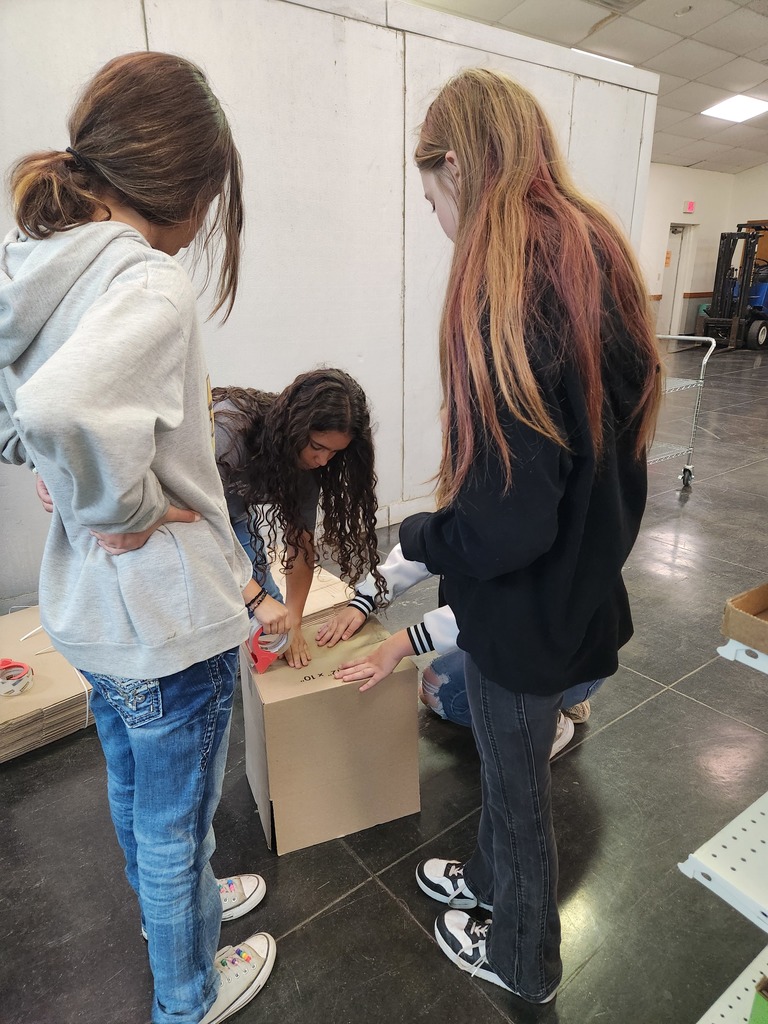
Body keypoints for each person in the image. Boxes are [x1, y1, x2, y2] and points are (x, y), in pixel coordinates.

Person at [340, 68, 661, 1004]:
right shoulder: (591, 246)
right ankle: (482, 887)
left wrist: (426, 534)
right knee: (504, 765)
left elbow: (508, 519)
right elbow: (596, 463)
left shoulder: (504, 279)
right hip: (578, 587)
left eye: (432, 196)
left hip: (525, 612)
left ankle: (524, 959)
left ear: (452, 165)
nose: (437, 218)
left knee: (517, 799)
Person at [0, 52, 288, 1024]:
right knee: (174, 822)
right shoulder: (152, 285)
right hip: (168, 620)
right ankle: (189, 990)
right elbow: (63, 405)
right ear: (189, 185)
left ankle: (178, 908)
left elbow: (26, 411)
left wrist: (57, 475)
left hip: (93, 618)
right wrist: (114, 505)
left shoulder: (38, 262)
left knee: (137, 790)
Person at [319, 541, 600, 751]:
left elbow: (499, 608)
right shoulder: (493, 496)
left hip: (567, 652)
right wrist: (365, 598)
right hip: (565, 647)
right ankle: (563, 695)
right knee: (458, 671)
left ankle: (545, 723)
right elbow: (432, 542)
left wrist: (397, 645)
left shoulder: (527, 521)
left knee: (439, 690)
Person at [213, 370, 386, 668]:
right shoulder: (226, 433)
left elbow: (301, 545)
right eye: (318, 447)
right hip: (184, 521)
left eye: (334, 452)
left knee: (274, 624)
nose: (323, 461)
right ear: (293, 428)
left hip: (232, 513)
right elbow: (202, 533)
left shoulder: (312, 464)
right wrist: (256, 600)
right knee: (230, 616)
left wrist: (293, 619)